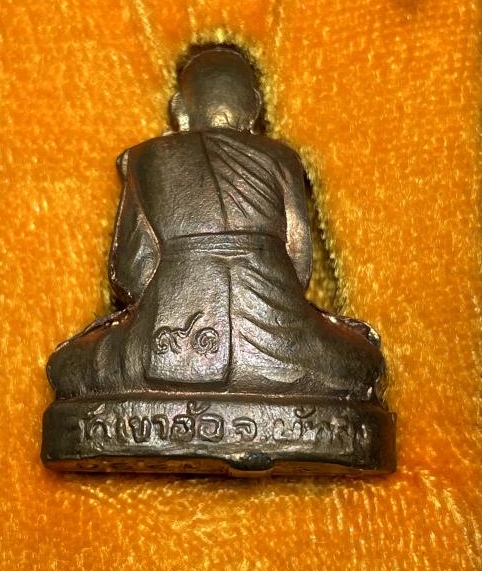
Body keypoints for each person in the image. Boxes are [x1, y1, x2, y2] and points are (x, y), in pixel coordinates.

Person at [47, 46, 384, 402]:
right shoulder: (282, 158)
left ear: (180, 110)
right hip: (278, 339)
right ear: (254, 108)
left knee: (69, 368)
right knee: (363, 363)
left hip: (166, 339)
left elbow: (131, 273)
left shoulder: (146, 159)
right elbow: (299, 266)